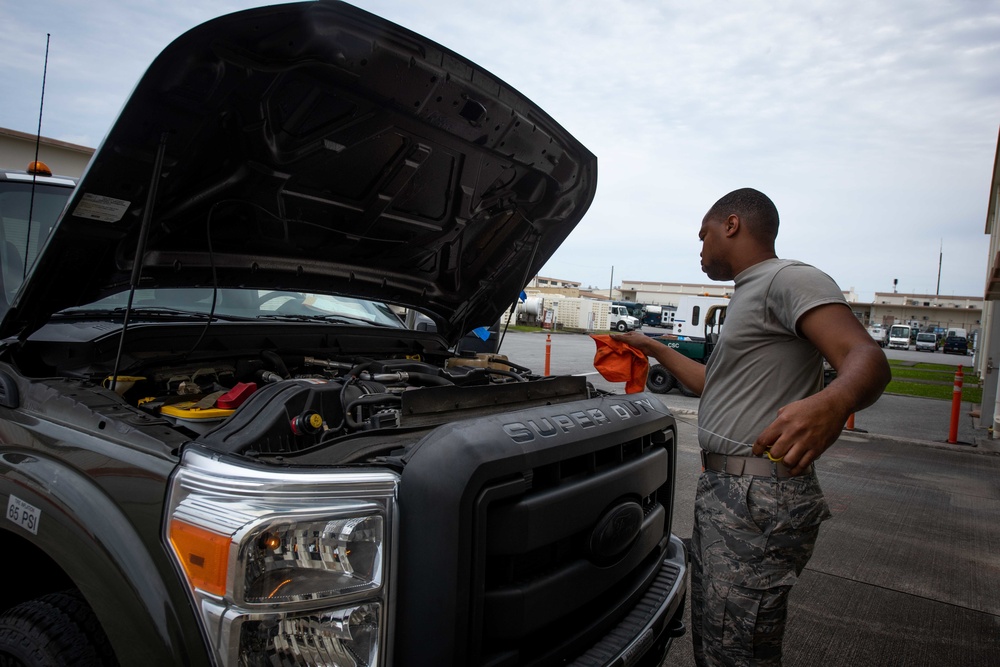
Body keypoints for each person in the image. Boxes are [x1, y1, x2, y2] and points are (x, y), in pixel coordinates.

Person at [613, 188, 890, 666]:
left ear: (733, 225)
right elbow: (710, 382)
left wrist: (834, 402)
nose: (699, 248)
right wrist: (651, 347)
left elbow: (866, 357)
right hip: (728, 491)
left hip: (756, 494)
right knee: (716, 636)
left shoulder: (787, 279)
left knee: (736, 651)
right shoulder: (746, 295)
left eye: (703, 235)